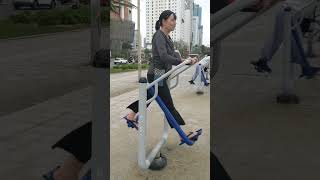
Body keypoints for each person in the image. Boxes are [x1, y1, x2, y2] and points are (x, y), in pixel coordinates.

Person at [122, 10, 202, 144]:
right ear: (164, 21)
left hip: (161, 73)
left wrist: (185, 59)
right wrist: (182, 61)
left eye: (175, 20)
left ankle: (131, 115)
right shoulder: (159, 35)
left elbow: (173, 55)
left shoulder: (167, 37)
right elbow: (164, 56)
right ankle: (184, 133)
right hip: (157, 73)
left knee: (149, 96)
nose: (174, 23)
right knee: (168, 104)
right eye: (172, 20)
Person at [250, 0, 320, 79]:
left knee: (279, 38)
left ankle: (262, 61)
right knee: (293, 41)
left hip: (287, 12)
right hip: (289, 14)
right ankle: (306, 68)